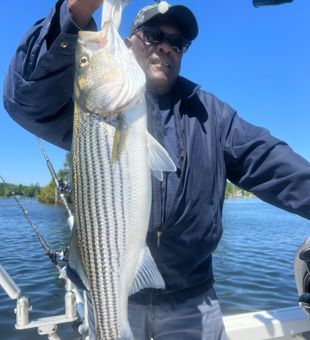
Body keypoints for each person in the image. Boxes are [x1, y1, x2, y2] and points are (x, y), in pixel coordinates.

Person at [3, 0, 310, 339]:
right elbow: (24, 100)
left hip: (191, 303)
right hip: (108, 293)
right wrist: (73, 14)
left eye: (177, 43)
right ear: (130, 41)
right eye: (153, 35)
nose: (166, 46)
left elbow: (276, 167)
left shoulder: (211, 116)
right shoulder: (86, 113)